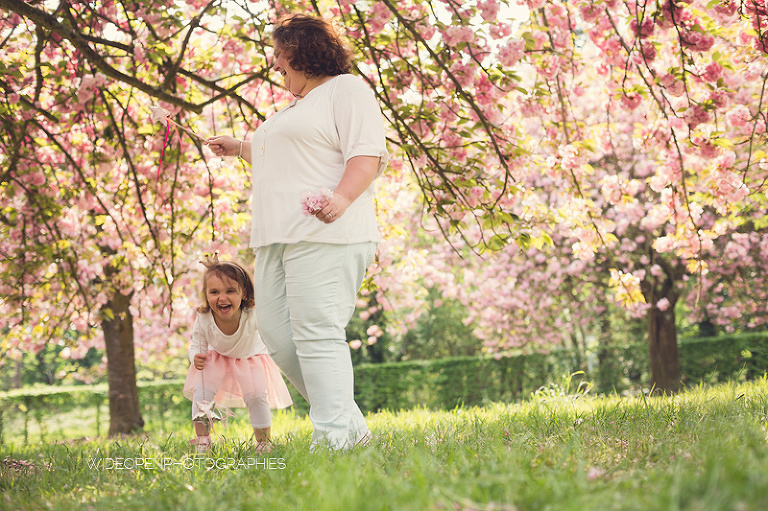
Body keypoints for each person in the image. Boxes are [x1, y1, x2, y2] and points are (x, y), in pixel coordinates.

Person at [207, 14, 388, 450]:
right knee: (275, 333)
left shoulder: (346, 90)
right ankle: (351, 429)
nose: (273, 64)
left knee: (316, 331)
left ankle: (333, 439)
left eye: (278, 53)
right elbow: (293, 160)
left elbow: (366, 153)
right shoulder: (295, 106)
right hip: (277, 236)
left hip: (326, 231)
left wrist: (341, 199)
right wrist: (242, 148)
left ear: (301, 50)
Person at [183, 255, 293, 453]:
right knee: (202, 395)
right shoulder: (204, 317)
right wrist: (195, 357)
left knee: (258, 397)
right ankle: (202, 440)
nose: (222, 298)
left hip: (250, 359)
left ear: (243, 293)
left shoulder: (252, 315)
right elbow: (197, 344)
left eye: (230, 291)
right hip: (216, 359)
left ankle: (263, 442)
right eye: (214, 292)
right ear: (206, 294)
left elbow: (273, 332)